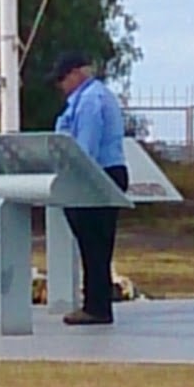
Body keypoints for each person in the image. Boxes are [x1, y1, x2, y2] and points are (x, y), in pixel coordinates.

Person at [53, 50, 128, 326]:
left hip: (96, 176)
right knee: (94, 244)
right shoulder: (88, 98)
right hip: (102, 174)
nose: (61, 85)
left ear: (76, 73)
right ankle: (96, 303)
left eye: (63, 78)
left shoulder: (89, 101)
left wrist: (74, 177)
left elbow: (84, 148)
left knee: (94, 243)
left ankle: (96, 306)